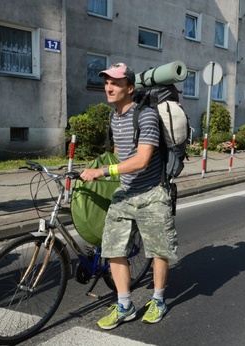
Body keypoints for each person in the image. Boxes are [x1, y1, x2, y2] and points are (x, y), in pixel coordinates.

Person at [80, 63, 178, 329]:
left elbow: (142, 160)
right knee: (113, 249)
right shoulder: (114, 117)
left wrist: (102, 171)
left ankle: (158, 300)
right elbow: (120, 154)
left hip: (151, 193)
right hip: (125, 193)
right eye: (106, 82)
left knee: (158, 251)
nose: (109, 87)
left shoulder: (145, 116)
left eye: (116, 83)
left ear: (130, 88)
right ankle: (125, 305)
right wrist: (98, 173)